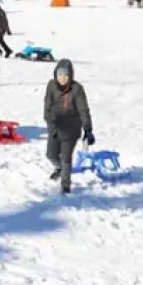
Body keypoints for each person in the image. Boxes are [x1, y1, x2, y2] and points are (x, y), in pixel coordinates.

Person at [44, 59, 93, 195]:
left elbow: (83, 110)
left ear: (70, 75)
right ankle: (58, 168)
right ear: (55, 74)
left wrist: (88, 129)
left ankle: (65, 186)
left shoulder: (77, 89)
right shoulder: (51, 86)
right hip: (55, 126)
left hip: (71, 129)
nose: (63, 78)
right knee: (51, 154)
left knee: (66, 158)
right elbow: (47, 107)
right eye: (60, 75)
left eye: (66, 75)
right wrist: (50, 123)